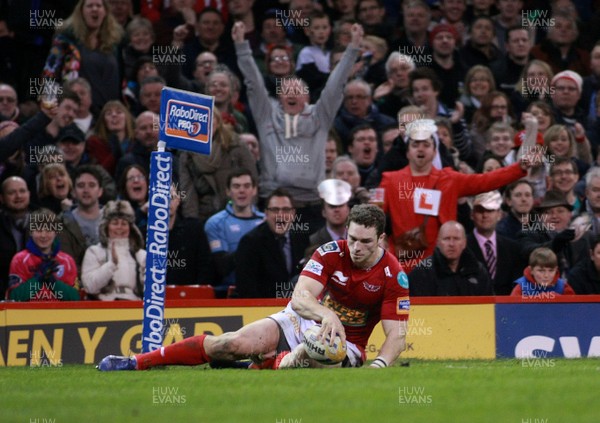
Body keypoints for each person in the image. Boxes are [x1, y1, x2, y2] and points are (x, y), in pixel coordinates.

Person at [97, 204, 409, 371]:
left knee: (313, 356)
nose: (355, 247)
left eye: (365, 242)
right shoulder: (330, 252)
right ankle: (137, 362)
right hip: (301, 321)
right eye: (351, 238)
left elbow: (396, 334)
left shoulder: (394, 274)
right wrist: (325, 314)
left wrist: (379, 366)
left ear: (381, 239)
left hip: (346, 346)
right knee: (228, 345)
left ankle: (269, 362)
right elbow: (300, 298)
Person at [233, 21, 363, 231]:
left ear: (308, 97)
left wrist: (352, 50)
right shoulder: (267, 114)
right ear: (279, 97)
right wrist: (241, 46)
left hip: (311, 204)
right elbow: (253, 83)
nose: (292, 94)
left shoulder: (320, 115)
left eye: (298, 90)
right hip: (274, 202)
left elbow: (335, 84)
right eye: (287, 91)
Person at [380, 119, 532, 272]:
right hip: (403, 264)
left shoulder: (449, 179)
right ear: (407, 152)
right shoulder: (391, 180)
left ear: (434, 152)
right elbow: (374, 216)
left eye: (426, 145)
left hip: (442, 264)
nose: (421, 149)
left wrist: (519, 168)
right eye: (415, 145)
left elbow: (485, 181)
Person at [42, 0, 124, 116]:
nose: (94, 9)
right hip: (75, 112)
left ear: (105, 12)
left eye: (98, 6)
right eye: (90, 6)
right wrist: (48, 108)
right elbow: (50, 75)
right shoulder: (65, 40)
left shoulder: (114, 44)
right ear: (81, 12)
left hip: (108, 114)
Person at [179, 109, 257, 222]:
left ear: (218, 120)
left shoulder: (236, 144)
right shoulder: (187, 153)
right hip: (204, 215)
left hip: (237, 212)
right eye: (201, 119)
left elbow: (252, 180)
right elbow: (187, 191)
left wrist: (249, 213)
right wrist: (192, 222)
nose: (206, 123)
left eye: (209, 119)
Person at [235, 188, 310, 298]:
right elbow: (246, 289)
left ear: (293, 213)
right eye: (275, 210)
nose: (280, 215)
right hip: (262, 309)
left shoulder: (302, 239)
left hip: (296, 308)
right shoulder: (250, 242)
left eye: (285, 210)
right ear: (266, 213)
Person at [204, 168, 264, 294]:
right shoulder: (214, 223)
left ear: (254, 190)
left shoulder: (265, 221)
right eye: (236, 186)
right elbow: (223, 267)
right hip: (228, 292)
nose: (242, 190)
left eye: (247, 186)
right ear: (228, 191)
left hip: (262, 290)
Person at [7, 208, 80, 301]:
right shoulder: (19, 260)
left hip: (60, 314)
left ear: (56, 232)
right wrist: (38, 278)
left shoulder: (67, 261)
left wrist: (52, 281)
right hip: (28, 314)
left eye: (48, 230)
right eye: (38, 230)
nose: (43, 235)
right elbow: (14, 297)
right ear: (30, 232)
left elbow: (75, 298)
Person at [81, 200, 146, 300]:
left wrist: (145, 274)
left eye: (124, 223)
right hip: (104, 307)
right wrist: (111, 265)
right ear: (106, 227)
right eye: (115, 223)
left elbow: (152, 291)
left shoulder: (141, 255)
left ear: (130, 228)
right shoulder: (94, 252)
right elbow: (89, 287)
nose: (119, 227)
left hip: (134, 307)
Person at [409, 221, 493, 296]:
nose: (451, 244)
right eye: (446, 239)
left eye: (456, 239)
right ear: (438, 243)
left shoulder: (478, 271)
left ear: (464, 243)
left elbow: (489, 306)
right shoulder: (422, 272)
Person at [466, 191, 525, 295]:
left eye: (490, 210)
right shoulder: (462, 247)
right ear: (472, 215)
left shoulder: (514, 249)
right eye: (480, 210)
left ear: (499, 214)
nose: (485, 215)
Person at [0, 177, 33, 298]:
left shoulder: (42, 220)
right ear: (2, 198)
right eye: (11, 192)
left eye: (22, 191)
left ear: (29, 194)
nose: (18, 196)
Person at [511, 247, 576, 297]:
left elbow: (574, 310)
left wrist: (559, 300)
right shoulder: (521, 288)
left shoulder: (563, 287)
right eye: (541, 271)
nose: (546, 275)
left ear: (556, 269)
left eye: (551, 270)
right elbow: (512, 311)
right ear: (531, 270)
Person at [309, 179, 352, 247]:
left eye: (341, 205)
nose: (337, 210)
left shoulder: (358, 236)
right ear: (324, 212)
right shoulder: (315, 240)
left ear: (348, 210)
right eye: (332, 206)